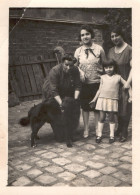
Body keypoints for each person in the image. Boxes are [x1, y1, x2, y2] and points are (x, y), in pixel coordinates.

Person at [74, 24, 106, 138]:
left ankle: (98, 128)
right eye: (82, 35)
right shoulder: (78, 51)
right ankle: (86, 128)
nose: (85, 37)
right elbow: (74, 66)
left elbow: (105, 64)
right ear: (80, 37)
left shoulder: (99, 49)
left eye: (87, 34)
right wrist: (80, 72)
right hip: (83, 84)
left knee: (96, 107)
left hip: (97, 82)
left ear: (91, 35)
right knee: (85, 107)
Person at [89, 60, 132, 144]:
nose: (108, 69)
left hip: (112, 100)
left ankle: (111, 135)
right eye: (106, 68)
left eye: (110, 67)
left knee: (111, 118)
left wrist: (131, 95)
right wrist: (94, 100)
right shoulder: (102, 77)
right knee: (102, 118)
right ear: (104, 68)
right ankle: (99, 135)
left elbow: (128, 85)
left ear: (114, 67)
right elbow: (99, 90)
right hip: (102, 99)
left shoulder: (118, 77)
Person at [108, 26, 132, 142]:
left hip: (126, 83)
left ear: (122, 35)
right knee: (116, 107)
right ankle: (119, 127)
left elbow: (135, 68)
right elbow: (108, 67)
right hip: (114, 84)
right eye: (112, 36)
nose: (114, 38)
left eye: (116, 35)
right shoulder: (111, 51)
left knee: (125, 108)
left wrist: (128, 82)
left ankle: (124, 131)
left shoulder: (129, 50)